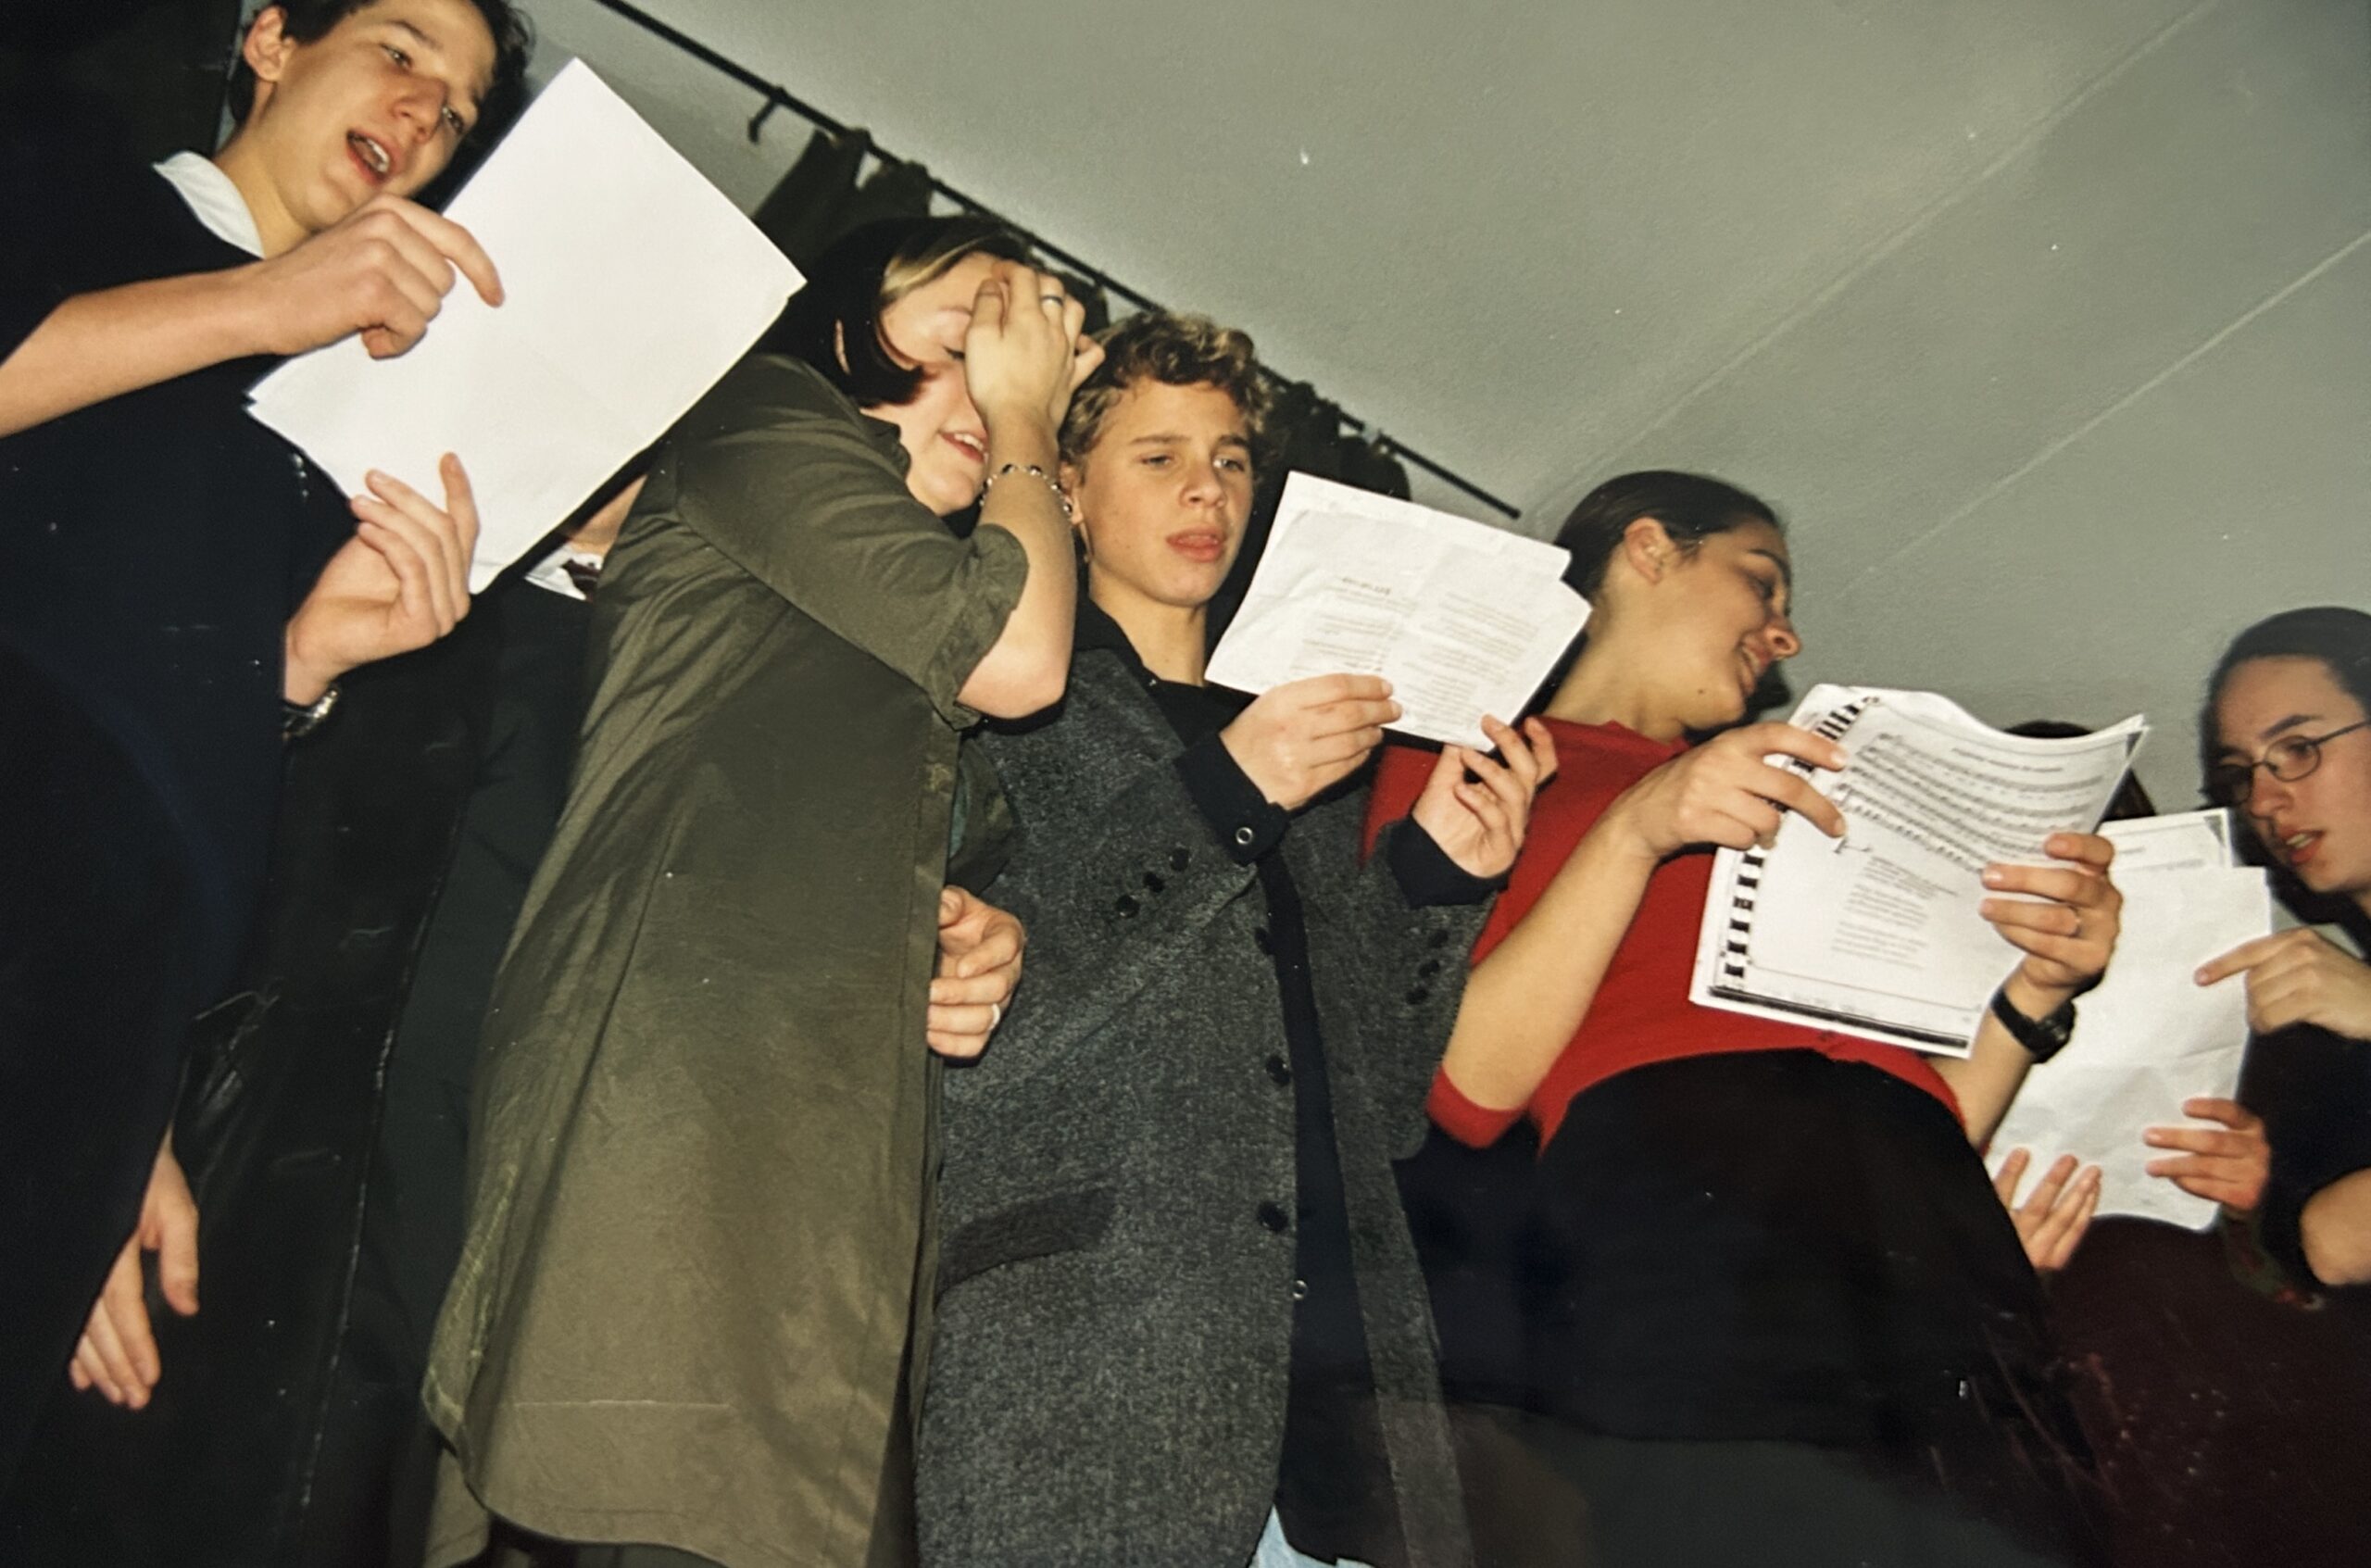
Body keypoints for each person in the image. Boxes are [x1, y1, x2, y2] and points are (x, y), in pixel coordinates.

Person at [421, 216, 1097, 1568]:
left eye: (1024, 356)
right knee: (634, 1502)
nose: (997, 373)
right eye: (972, 328)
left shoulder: (904, 611)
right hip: (676, 1112)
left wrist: (974, 938)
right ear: (857, 322)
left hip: (819, 1170)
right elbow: (1019, 661)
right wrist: (1029, 423)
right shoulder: (766, 417)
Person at [1370, 470, 2122, 1568]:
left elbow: (1920, 1106)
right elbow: (1465, 1083)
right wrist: (1637, 827)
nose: (1785, 633)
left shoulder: (1800, 795)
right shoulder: (1468, 760)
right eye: (1761, 581)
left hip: (1932, 1237)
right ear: (1647, 549)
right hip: (1689, 1219)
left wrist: (2033, 994)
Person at [915, 312, 1552, 1568]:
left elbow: (1378, 1102)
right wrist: (1224, 794)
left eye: (1230, 460)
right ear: (1070, 493)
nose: (1205, 486)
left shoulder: (1299, 741)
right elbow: (987, 1023)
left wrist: (1434, 873)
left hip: (1342, 1400)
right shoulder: (1000, 711)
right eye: (1158, 457)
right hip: (1096, 1366)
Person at [0, 0, 529, 1491]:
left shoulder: (344, 412)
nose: (426, 112)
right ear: (274, 40)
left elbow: (191, 730)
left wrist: (306, 658)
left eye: (460, 109)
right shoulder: (69, 169)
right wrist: (259, 304)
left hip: (112, 1002)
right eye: (403, 48)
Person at [2194, 606, 2371, 1290]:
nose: (2264, 800)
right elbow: (2329, 1239)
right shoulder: (2325, 1035)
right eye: (2241, 775)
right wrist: (2256, 1191)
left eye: (2298, 748)